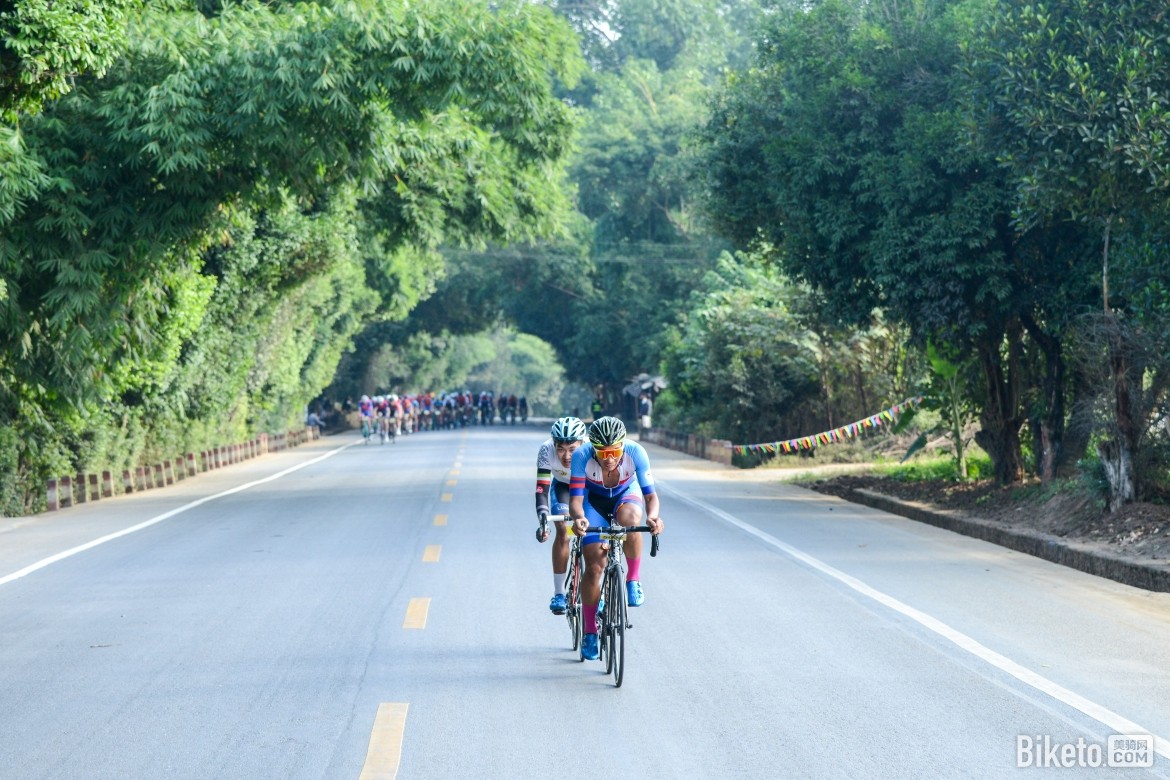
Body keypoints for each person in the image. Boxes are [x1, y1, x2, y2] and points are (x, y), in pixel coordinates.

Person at [569, 416, 663, 660]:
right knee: (594, 566)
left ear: (623, 445)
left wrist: (653, 518)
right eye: (603, 452)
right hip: (594, 502)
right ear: (593, 449)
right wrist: (579, 519)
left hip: (624, 495)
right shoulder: (582, 456)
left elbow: (650, 497)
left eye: (614, 451)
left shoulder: (636, 452)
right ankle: (590, 631)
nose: (609, 458)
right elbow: (576, 501)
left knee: (631, 519)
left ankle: (632, 579)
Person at [534, 417, 589, 615]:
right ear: (554, 444)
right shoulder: (545, 449)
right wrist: (543, 519)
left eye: (572, 449)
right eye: (560, 449)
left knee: (596, 534)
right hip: (563, 488)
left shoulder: (592, 449)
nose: (566, 456)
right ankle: (559, 593)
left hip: (588, 488)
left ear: (583, 443)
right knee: (563, 530)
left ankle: (599, 591)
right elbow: (541, 488)